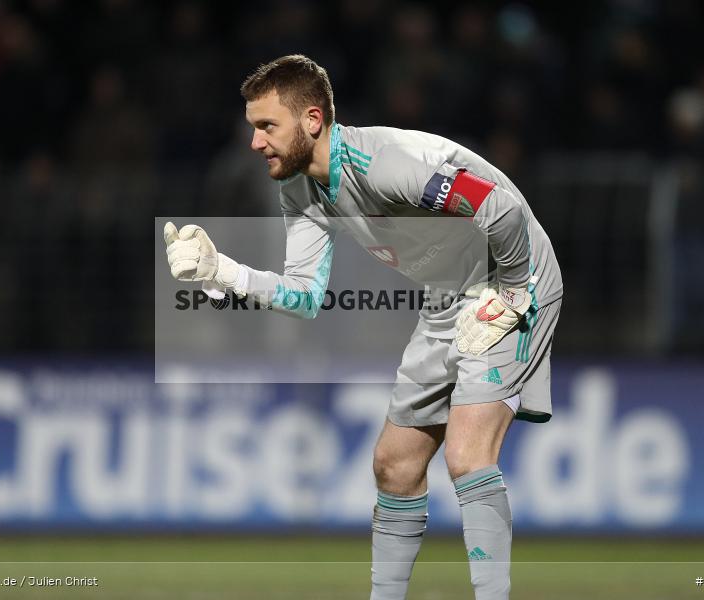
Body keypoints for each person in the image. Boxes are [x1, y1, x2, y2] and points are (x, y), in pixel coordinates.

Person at [164, 55, 562, 600]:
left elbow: (500, 209)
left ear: (311, 120)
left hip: (513, 278)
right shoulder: (300, 190)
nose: (255, 142)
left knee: (468, 455)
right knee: (394, 465)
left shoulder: (385, 163)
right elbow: (305, 297)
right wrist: (222, 272)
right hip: (446, 298)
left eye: (266, 126)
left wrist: (514, 292)